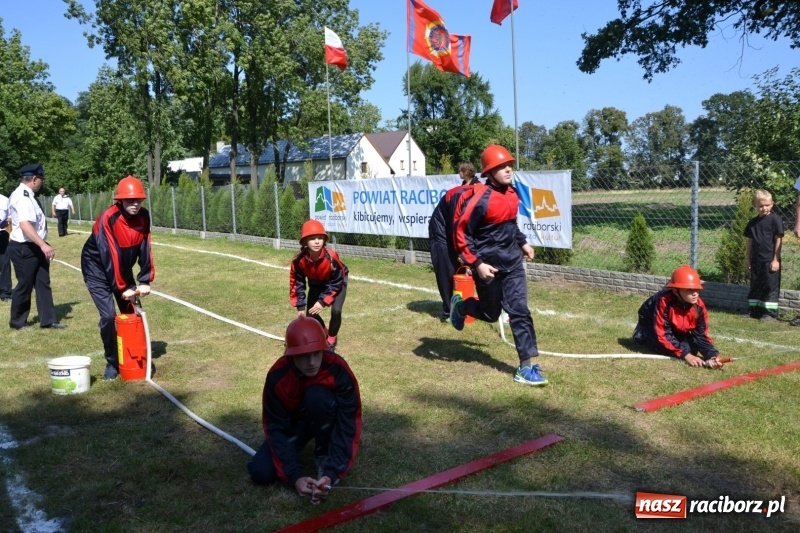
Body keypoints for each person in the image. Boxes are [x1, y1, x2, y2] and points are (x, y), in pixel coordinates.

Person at [449, 145, 547, 386]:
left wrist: (522, 243)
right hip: (488, 267)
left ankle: (526, 366)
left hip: (513, 263)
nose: (507, 170)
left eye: (509, 165)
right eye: (500, 167)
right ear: (488, 172)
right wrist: (477, 263)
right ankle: (461, 307)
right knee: (491, 314)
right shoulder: (479, 199)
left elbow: (511, 224)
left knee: (519, 311)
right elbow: (461, 234)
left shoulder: (513, 193)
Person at [247, 316, 362, 505]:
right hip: (295, 426)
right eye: (303, 355)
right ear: (291, 355)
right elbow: (275, 426)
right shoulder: (277, 376)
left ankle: (323, 453)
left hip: (325, 415)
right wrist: (295, 477)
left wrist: (331, 472)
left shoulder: (338, 369)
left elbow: (349, 422)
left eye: (317, 353)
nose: (312, 362)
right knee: (260, 472)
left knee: (317, 397)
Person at [81, 176, 154, 380]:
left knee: (134, 312)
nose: (135, 204)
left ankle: (136, 357)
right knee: (108, 316)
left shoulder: (144, 217)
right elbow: (109, 255)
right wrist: (124, 289)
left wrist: (145, 280)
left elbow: (145, 247)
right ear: (119, 200)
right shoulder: (108, 218)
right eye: (130, 200)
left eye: (138, 200)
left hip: (122, 269)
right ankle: (113, 362)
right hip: (97, 270)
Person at [7, 163, 65, 330]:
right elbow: (25, 224)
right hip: (25, 247)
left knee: (42, 282)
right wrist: (42, 244)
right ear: (33, 179)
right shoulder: (23, 197)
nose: (42, 182)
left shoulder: (26, 194)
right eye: (41, 179)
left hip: (33, 245)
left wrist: (41, 243)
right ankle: (17, 322)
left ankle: (48, 319)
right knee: (25, 284)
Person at [633, 265, 724, 369]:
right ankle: (641, 335)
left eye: (697, 290)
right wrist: (686, 355)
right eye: (689, 290)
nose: (695, 294)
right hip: (651, 326)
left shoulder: (699, 306)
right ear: (676, 291)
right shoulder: (664, 301)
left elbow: (701, 335)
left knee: (692, 348)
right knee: (682, 349)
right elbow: (663, 333)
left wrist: (712, 355)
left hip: (674, 328)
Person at [428, 162, 480, 320]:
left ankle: (462, 304)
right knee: (447, 268)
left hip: (454, 230)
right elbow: (455, 226)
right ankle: (448, 310)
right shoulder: (460, 195)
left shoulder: (479, 191)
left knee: (462, 267)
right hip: (441, 232)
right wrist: (460, 252)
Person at [290, 220, 348, 351]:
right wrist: (300, 306)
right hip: (317, 283)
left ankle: (331, 339)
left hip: (337, 282)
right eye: (312, 238)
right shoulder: (299, 260)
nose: (317, 242)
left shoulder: (331, 257)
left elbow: (337, 281)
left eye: (320, 238)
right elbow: (298, 283)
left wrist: (322, 301)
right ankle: (324, 331)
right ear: (305, 241)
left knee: (336, 310)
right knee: (310, 315)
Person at [743, 189, 783, 321]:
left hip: (769, 261)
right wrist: (747, 259)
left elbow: (778, 239)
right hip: (756, 260)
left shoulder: (775, 220)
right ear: (755, 205)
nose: (764, 208)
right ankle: (754, 310)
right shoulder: (752, 223)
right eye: (760, 206)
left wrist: (775, 259)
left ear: (772, 204)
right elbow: (750, 242)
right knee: (756, 285)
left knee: (769, 286)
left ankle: (769, 313)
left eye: (767, 205)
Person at [0, 192, 11, 302]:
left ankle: (5, 293)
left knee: (4, 264)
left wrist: (7, 222)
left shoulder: (4, 200)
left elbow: (10, 216)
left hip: (2, 234)